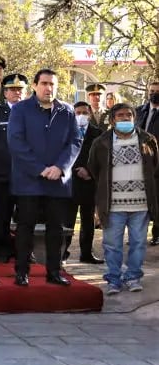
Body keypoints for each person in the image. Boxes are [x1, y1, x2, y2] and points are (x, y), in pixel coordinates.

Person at [8, 68, 81, 287]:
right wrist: (40, 168)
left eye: (52, 84)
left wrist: (60, 167)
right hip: (29, 180)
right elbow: (16, 142)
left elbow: (75, 142)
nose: (49, 88)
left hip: (57, 182)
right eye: (44, 83)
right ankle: (22, 272)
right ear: (35, 85)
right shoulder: (21, 109)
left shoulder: (67, 111)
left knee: (56, 229)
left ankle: (54, 272)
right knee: (25, 227)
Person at [87, 103, 159, 295]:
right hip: (113, 204)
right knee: (112, 244)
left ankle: (133, 277)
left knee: (138, 242)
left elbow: (155, 167)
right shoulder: (101, 142)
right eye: (120, 115)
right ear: (112, 120)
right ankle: (113, 279)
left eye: (129, 115)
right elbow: (94, 169)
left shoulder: (147, 140)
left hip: (141, 203)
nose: (125, 118)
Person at [63, 101, 105, 264]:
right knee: (68, 220)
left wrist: (89, 171)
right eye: (78, 112)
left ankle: (86, 253)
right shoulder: (66, 132)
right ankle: (63, 253)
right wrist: (73, 169)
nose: (81, 115)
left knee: (88, 221)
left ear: (90, 114)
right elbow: (62, 153)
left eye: (84, 112)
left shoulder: (98, 133)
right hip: (70, 181)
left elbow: (102, 158)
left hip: (89, 182)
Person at [0, 73, 27, 263]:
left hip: (27, 174)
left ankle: (24, 251)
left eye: (20, 89)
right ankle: (2, 250)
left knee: (26, 216)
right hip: (3, 172)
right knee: (2, 214)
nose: (17, 93)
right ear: (5, 93)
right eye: (12, 90)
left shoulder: (32, 111)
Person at [136, 80, 159, 246]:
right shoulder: (139, 111)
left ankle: (157, 234)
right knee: (140, 200)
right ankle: (138, 234)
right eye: (151, 91)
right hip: (139, 163)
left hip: (158, 163)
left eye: (157, 91)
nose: (154, 93)